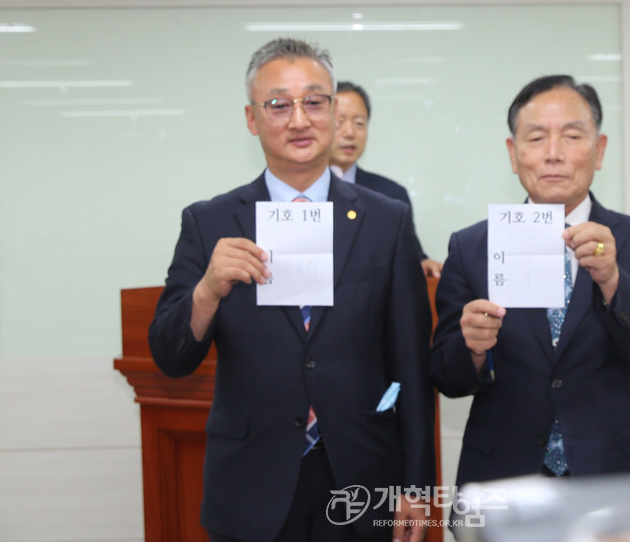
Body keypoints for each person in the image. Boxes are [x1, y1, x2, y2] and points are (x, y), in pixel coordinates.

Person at [149, 38, 436, 542]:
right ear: (251, 118)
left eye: (315, 102)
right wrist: (207, 291)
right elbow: (171, 357)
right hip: (251, 482)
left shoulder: (385, 220)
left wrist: (416, 486)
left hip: (361, 480)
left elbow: (409, 367)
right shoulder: (210, 221)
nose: (299, 120)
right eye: (279, 104)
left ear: (333, 108)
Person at [431, 74, 630, 488]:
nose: (553, 154)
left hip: (615, 478)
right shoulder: (471, 247)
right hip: (504, 479)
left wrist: (614, 282)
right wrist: (472, 348)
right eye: (535, 138)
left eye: (571, 136)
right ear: (513, 155)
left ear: (598, 151)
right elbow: (447, 377)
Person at [329, 80, 444, 278]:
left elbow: (411, 255)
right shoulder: (298, 191)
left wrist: (423, 263)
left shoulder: (390, 194)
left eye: (359, 123)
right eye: (339, 122)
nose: (350, 133)